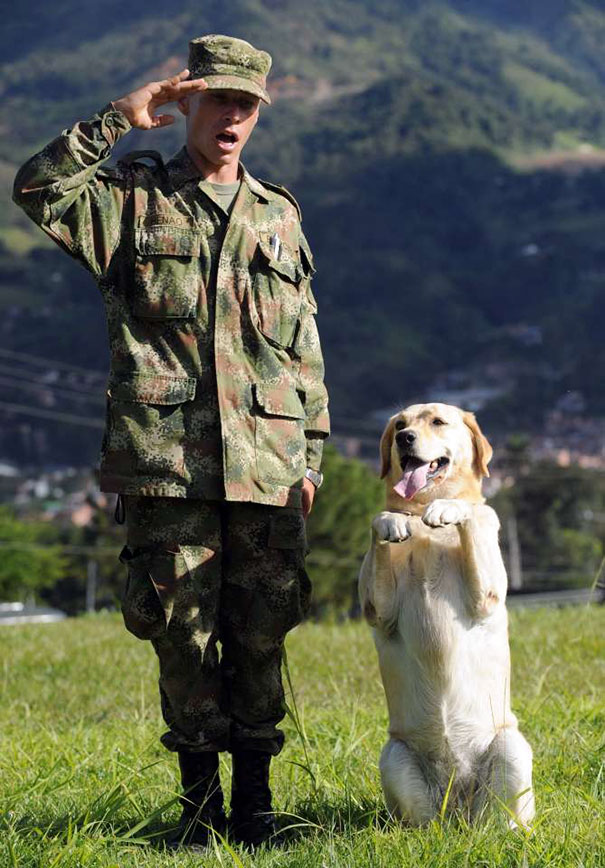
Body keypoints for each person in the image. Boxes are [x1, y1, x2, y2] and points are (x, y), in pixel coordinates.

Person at [13, 34, 329, 849]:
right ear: (188, 102)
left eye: (245, 104)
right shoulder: (132, 201)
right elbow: (38, 188)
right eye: (217, 98)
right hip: (168, 463)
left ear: (259, 113)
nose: (231, 117)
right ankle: (197, 816)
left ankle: (256, 811)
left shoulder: (278, 214)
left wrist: (313, 460)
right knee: (182, 634)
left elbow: (303, 353)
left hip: (267, 467)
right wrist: (119, 118)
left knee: (261, 634)